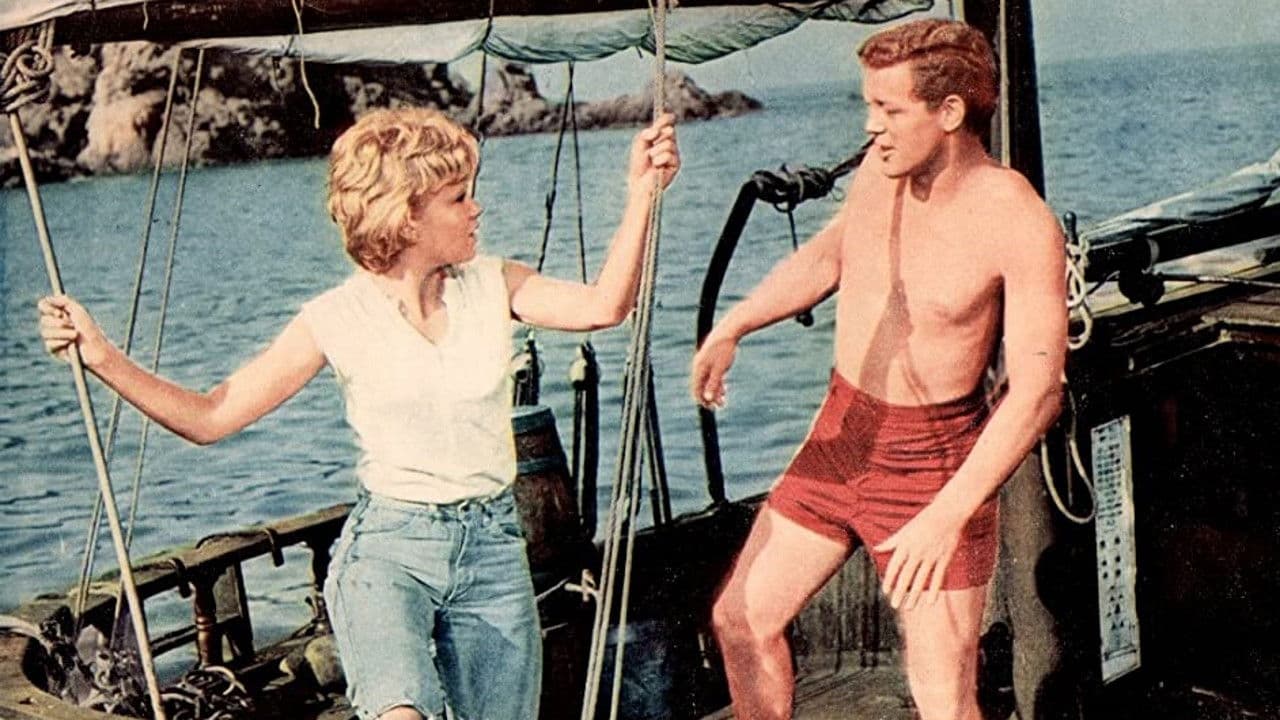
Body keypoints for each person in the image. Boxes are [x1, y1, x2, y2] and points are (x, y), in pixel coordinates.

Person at [39, 107, 679, 720]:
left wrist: (642, 193)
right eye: (458, 198)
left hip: (492, 547)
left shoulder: (495, 283)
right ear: (406, 217)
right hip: (388, 553)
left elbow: (604, 306)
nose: (476, 208)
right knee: (399, 712)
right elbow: (212, 417)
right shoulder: (334, 318)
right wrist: (101, 357)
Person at [690, 18, 1065, 720]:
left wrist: (947, 515)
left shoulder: (1017, 221)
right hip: (843, 434)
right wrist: (735, 324)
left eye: (889, 110)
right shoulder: (879, 171)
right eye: (869, 106)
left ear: (948, 112)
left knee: (943, 693)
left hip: (933, 464)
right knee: (740, 619)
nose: (871, 127)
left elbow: (1038, 392)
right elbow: (831, 255)